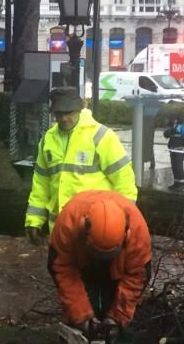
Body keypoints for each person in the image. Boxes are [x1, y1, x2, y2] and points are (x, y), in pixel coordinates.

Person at [25, 87, 137, 245]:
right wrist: (34, 221)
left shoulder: (102, 137)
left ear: (80, 109)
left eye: (69, 112)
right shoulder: (47, 141)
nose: (64, 118)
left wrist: (124, 221)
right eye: (59, 114)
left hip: (97, 228)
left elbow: (124, 181)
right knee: (62, 269)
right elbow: (41, 185)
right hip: (60, 229)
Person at [48, 190, 151, 342]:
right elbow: (62, 270)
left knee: (120, 329)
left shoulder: (137, 230)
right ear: (84, 229)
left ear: (125, 235)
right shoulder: (69, 222)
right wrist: (82, 317)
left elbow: (137, 276)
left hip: (118, 270)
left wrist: (117, 318)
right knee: (79, 320)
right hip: (83, 265)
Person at [162, 116, 184, 189]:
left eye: (175, 119)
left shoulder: (182, 127)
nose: (174, 120)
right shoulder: (170, 127)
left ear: (178, 119)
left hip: (179, 150)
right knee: (174, 167)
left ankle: (181, 184)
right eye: (172, 119)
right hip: (172, 150)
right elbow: (165, 134)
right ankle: (176, 183)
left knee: (178, 167)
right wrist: (172, 129)